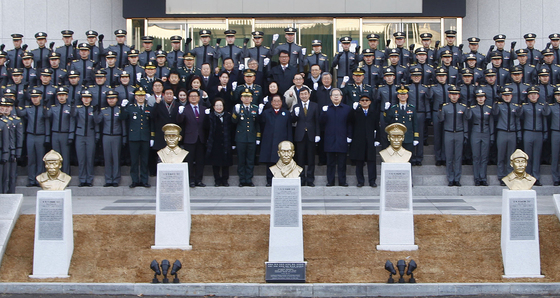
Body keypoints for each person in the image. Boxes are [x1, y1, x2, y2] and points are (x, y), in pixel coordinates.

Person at [120, 87, 154, 188]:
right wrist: (122, 108)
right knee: (134, 160)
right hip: (134, 138)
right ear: (135, 97)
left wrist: (152, 137)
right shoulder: (131, 108)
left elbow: (152, 123)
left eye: (142, 96)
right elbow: (122, 118)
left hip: (145, 137)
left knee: (144, 160)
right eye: (138, 96)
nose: (140, 98)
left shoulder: (149, 108)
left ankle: (144, 180)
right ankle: (134, 180)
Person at [320, 88, 352, 186]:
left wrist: (349, 136)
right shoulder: (326, 108)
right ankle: (330, 181)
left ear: (341, 97)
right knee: (330, 163)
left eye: (338, 95)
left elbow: (350, 123)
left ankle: (342, 181)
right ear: (330, 97)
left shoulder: (347, 109)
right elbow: (321, 123)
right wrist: (324, 113)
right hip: (330, 139)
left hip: (342, 138)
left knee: (342, 163)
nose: (336, 97)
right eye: (334, 95)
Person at [17, 89, 50, 186]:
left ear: (40, 97)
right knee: (31, 159)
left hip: (41, 136)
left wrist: (47, 138)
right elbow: (20, 114)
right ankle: (31, 180)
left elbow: (47, 123)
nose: (34, 99)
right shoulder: (29, 108)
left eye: (36, 97)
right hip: (30, 135)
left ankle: (39, 180)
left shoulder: (43, 109)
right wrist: (16, 106)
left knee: (40, 159)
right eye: (33, 97)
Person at [177, 89, 208, 187]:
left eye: (195, 96)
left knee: (200, 160)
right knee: (189, 160)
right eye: (191, 96)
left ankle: (199, 179)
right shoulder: (185, 109)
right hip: (189, 138)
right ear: (188, 98)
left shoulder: (204, 109)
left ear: (199, 98)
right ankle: (190, 179)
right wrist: (180, 113)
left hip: (201, 138)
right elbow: (179, 121)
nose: (193, 98)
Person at [259, 94, 292, 186]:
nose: (276, 103)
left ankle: (281, 179)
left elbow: (289, 129)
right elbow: (261, 125)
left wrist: (289, 143)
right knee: (270, 162)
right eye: (274, 101)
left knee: (282, 162)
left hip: (282, 141)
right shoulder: (266, 113)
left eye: (278, 101)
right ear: (271, 102)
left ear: (281, 102)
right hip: (269, 140)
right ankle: (269, 180)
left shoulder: (286, 113)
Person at [519, 86, 548, 186]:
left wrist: (545, 132)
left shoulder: (542, 106)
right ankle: (527, 177)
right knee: (527, 157)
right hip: (528, 132)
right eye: (531, 94)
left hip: (538, 133)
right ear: (528, 96)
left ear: (538, 95)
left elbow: (545, 119)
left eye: (535, 94)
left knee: (537, 156)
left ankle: (536, 177)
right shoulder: (525, 106)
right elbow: (520, 118)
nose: (533, 96)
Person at [439, 85, 468, 186]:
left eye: (456, 94)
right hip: (448, 133)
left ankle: (457, 178)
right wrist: (440, 110)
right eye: (452, 94)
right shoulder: (445, 107)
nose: (454, 96)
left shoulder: (463, 107)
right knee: (449, 157)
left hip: (459, 133)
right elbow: (441, 120)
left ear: (459, 95)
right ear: (449, 95)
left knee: (458, 157)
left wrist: (466, 134)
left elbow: (465, 121)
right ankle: (450, 178)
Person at [95, 90, 125, 187]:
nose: (111, 100)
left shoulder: (120, 109)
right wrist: (95, 112)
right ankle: (108, 179)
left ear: (116, 99)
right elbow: (98, 121)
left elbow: (123, 124)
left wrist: (124, 137)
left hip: (117, 136)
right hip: (106, 136)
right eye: (109, 98)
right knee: (107, 158)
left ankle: (116, 179)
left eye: (113, 98)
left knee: (116, 158)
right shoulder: (104, 110)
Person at [291, 87, 320, 187]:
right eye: (302, 94)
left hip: (311, 135)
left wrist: (317, 134)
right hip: (300, 136)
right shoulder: (296, 106)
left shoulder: (315, 106)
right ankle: (301, 179)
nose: (304, 96)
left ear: (309, 94)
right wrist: (295, 114)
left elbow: (317, 121)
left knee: (311, 159)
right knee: (300, 159)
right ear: (299, 96)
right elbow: (292, 120)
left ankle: (310, 179)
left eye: (305, 94)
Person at [70, 90, 99, 187]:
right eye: (84, 97)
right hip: (80, 135)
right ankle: (82, 179)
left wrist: (97, 135)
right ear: (81, 99)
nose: (86, 99)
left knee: (90, 158)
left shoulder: (93, 109)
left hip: (90, 135)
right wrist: (73, 106)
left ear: (91, 99)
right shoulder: (78, 109)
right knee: (81, 158)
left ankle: (89, 179)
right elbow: (73, 116)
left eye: (88, 97)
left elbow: (96, 123)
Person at [232, 88, 260, 187]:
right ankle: (242, 179)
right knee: (241, 160)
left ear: (252, 98)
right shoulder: (238, 107)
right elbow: (233, 122)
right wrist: (236, 113)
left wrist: (258, 138)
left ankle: (249, 179)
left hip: (251, 138)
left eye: (248, 97)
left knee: (250, 160)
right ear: (241, 98)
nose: (246, 99)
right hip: (241, 138)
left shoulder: (255, 108)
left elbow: (257, 124)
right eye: (244, 97)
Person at [349, 93, 378, 187]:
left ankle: (372, 181)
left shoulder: (374, 112)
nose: (364, 102)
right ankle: (360, 181)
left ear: (370, 102)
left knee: (371, 161)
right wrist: (353, 110)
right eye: (362, 100)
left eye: (366, 100)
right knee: (359, 161)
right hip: (358, 140)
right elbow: (350, 123)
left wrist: (377, 139)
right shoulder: (356, 112)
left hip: (370, 140)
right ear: (359, 102)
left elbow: (377, 126)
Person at [466, 89, 494, 186]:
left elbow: (491, 123)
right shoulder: (473, 108)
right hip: (476, 132)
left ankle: (483, 177)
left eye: (482, 97)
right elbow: (468, 118)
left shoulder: (489, 108)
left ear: (485, 98)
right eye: (479, 97)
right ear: (476, 98)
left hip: (486, 132)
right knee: (476, 156)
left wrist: (492, 135)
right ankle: (477, 178)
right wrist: (468, 108)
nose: (480, 98)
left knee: (484, 157)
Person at [205, 98, 233, 186]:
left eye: (220, 105)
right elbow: (206, 128)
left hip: (225, 141)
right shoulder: (210, 116)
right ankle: (217, 180)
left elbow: (231, 129)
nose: (219, 107)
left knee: (226, 162)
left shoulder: (228, 116)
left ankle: (225, 180)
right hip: (214, 142)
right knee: (215, 163)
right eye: (217, 105)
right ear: (213, 107)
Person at [385, 85, 419, 154]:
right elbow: (387, 120)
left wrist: (416, 138)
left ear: (407, 96)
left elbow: (415, 123)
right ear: (398, 96)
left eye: (404, 94)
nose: (403, 96)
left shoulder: (412, 108)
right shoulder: (393, 108)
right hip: (397, 138)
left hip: (408, 136)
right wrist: (386, 110)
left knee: (408, 156)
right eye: (401, 94)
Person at [48, 86, 73, 175]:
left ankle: (65, 175)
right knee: (56, 157)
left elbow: (72, 122)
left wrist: (71, 135)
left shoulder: (70, 108)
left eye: (63, 95)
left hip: (65, 134)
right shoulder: (53, 108)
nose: (61, 97)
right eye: (59, 95)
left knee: (65, 157)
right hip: (55, 134)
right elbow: (47, 117)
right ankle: (56, 175)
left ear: (67, 96)